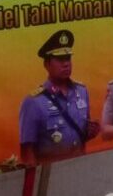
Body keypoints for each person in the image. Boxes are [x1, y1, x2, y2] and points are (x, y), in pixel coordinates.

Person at [19, 29, 100, 165]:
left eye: (68, 58)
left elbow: (77, 136)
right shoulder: (33, 102)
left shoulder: (82, 92)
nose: (66, 63)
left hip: (80, 168)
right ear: (47, 64)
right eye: (60, 59)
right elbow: (27, 152)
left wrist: (89, 133)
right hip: (51, 173)